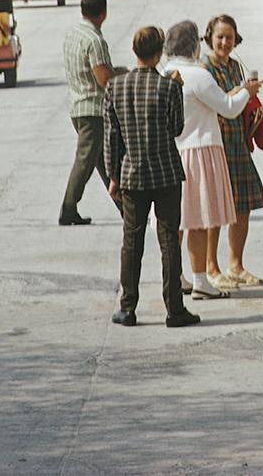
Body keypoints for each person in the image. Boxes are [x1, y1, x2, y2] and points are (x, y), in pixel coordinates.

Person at [104, 26, 198, 328]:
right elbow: (176, 128)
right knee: (169, 240)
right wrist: (178, 90)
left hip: (132, 175)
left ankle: (127, 307)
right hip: (166, 173)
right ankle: (174, 309)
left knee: (132, 242)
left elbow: (112, 138)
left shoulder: (115, 88)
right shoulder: (168, 87)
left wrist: (113, 177)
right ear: (159, 54)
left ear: (135, 52)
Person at [162, 21, 260, 299]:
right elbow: (229, 108)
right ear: (195, 44)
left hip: (176, 150)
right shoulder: (198, 75)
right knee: (200, 220)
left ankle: (175, 276)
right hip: (202, 149)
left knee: (179, 221)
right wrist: (247, 92)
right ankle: (201, 281)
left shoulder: (166, 72)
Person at [202, 14, 263, 286]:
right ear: (210, 38)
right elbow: (219, 102)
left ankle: (235, 265)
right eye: (220, 37)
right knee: (214, 209)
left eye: (229, 37)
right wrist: (244, 92)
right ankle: (211, 267)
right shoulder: (205, 68)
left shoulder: (236, 66)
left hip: (238, 142)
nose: (225, 42)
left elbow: (239, 104)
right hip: (216, 144)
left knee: (243, 207)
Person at [60, 0, 117, 225]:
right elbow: (104, 79)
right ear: (103, 13)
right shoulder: (95, 40)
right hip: (93, 109)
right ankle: (68, 207)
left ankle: (124, 205)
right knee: (86, 159)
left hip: (77, 105)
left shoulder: (73, 34)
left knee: (104, 160)